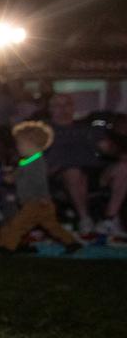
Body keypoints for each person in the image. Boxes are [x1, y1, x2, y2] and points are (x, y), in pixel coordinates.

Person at [46, 94, 126, 238]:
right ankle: (85, 219)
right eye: (58, 105)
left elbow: (109, 150)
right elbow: (29, 156)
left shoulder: (88, 128)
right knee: (73, 171)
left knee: (123, 168)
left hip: (93, 171)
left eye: (67, 104)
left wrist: (110, 149)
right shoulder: (44, 131)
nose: (63, 109)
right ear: (50, 109)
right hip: (61, 173)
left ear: (73, 107)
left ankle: (109, 219)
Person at [0, 122, 80, 254]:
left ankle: (8, 247)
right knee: (52, 226)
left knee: (18, 224)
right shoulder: (27, 161)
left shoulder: (38, 163)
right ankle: (72, 243)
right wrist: (7, 177)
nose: (18, 147)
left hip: (37, 202)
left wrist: (43, 197)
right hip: (34, 202)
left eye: (20, 144)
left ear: (32, 144)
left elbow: (41, 182)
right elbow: (17, 175)